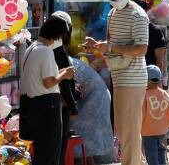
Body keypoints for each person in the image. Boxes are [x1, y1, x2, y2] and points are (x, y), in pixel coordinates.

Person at [83, 0, 149, 165]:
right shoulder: (112, 14)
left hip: (133, 78)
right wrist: (98, 47)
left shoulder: (138, 15)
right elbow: (113, 46)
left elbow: (141, 49)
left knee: (128, 130)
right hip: (119, 76)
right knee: (123, 128)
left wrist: (109, 48)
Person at [19, 15, 75, 165]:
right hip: (47, 105)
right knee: (50, 153)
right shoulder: (45, 51)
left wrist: (61, 72)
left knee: (41, 152)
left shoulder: (32, 48)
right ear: (58, 35)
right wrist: (65, 74)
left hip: (34, 104)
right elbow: (48, 82)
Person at [69, 57, 115, 165]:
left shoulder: (64, 63)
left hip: (95, 99)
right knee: (87, 142)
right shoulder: (70, 61)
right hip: (99, 95)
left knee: (82, 139)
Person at [50, 11, 79, 164]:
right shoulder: (59, 50)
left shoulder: (44, 47)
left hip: (49, 104)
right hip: (61, 106)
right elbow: (65, 84)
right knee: (60, 147)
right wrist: (73, 108)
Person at [132, 0, 168, 86]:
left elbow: (160, 59)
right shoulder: (129, 29)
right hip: (132, 77)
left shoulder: (155, 31)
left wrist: (157, 82)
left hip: (149, 77)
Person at [142, 65, 169, 165]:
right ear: (159, 80)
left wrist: (139, 128)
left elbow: (141, 113)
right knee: (161, 151)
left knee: (151, 154)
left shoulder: (144, 94)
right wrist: (167, 124)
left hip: (147, 131)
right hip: (162, 130)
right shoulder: (164, 93)